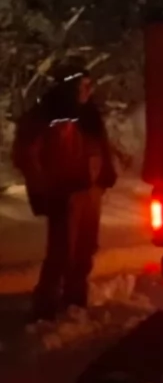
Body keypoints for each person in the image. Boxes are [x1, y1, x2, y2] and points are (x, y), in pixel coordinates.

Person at [11, 59, 118, 322]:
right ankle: (45, 308)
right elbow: (26, 154)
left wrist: (106, 172)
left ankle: (75, 301)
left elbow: (100, 146)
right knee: (62, 252)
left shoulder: (89, 114)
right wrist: (45, 188)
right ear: (69, 86)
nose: (88, 90)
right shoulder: (47, 114)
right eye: (83, 85)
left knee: (85, 248)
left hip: (90, 191)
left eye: (90, 85)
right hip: (64, 193)